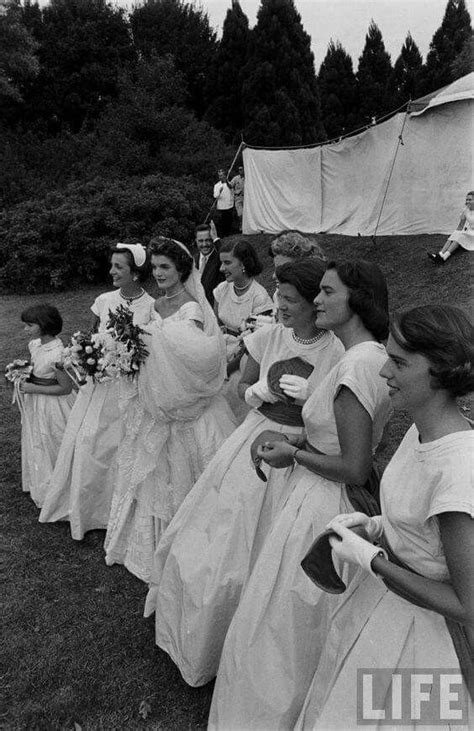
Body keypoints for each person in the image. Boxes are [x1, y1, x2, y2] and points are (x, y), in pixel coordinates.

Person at [208, 260, 393, 730]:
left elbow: (353, 465)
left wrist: (294, 453)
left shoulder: (355, 364)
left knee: (283, 617)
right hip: (323, 494)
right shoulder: (373, 356)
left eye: (327, 292)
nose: (317, 300)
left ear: (357, 300)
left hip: (325, 499)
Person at [143, 259, 344, 687]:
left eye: (290, 299)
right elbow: (240, 390)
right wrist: (258, 392)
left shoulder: (337, 350)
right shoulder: (269, 336)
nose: (281, 305)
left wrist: (314, 398)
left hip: (300, 449)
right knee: (222, 527)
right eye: (278, 296)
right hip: (254, 436)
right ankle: (204, 626)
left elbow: (341, 421)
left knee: (273, 540)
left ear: (315, 304)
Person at [295, 304, 473, 730]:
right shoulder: (419, 429)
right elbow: (417, 523)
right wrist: (376, 526)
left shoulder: (456, 472)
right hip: (385, 607)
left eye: (397, 362)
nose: (383, 373)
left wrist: (371, 559)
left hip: (426, 637)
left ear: (440, 371)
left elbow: (467, 605)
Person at [104, 237, 236, 583]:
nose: (159, 273)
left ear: (182, 269)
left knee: (184, 474)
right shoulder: (156, 305)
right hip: (155, 402)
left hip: (184, 405)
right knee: (154, 477)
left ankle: (187, 543)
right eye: (156, 266)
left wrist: (152, 342)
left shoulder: (192, 307)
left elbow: (196, 358)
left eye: (166, 267)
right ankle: (153, 543)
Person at [39, 244, 155, 539]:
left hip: (130, 387)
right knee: (89, 441)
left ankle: (119, 512)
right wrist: (87, 356)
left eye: (119, 267)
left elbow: (151, 353)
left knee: (124, 445)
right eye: (112, 265)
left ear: (136, 273)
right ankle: (88, 510)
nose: (112, 271)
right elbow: (92, 336)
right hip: (99, 386)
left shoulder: (150, 307)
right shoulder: (104, 300)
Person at [16, 304, 75, 508]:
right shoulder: (35, 345)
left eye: (30, 325)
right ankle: (41, 481)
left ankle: (59, 485)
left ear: (44, 325)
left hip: (53, 404)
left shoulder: (59, 354)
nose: (26, 329)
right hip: (37, 403)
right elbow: (36, 369)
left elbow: (65, 388)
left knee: (53, 440)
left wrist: (33, 388)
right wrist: (21, 373)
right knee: (37, 440)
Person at [214, 237, 273, 422]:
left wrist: (227, 368)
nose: (221, 269)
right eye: (221, 263)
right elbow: (215, 325)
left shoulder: (259, 297)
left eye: (227, 263)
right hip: (219, 349)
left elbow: (254, 345)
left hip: (243, 360)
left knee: (232, 406)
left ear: (244, 264)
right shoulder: (222, 289)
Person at [269, 230, 327, 319]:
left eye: (284, 270)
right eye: (275, 268)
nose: (274, 276)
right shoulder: (278, 294)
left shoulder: (320, 300)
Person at [428, 191, 474, 264]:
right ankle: (440, 254)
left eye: (470, 200)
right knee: (455, 235)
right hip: (469, 232)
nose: (467, 201)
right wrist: (455, 234)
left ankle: (444, 257)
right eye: (467, 199)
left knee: (460, 236)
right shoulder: (466, 210)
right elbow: (460, 225)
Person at [193, 221, 224, 307]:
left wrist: (216, 239)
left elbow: (229, 256)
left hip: (215, 308)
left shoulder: (219, 259)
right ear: (196, 241)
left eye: (208, 240)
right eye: (200, 241)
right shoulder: (193, 260)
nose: (204, 244)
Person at [213, 168, 234, 238]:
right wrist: (219, 191)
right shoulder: (216, 185)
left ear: (225, 175)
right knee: (222, 222)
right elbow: (215, 196)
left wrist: (227, 182)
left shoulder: (229, 183)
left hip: (229, 206)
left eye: (222, 175)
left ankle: (229, 235)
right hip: (221, 207)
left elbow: (232, 190)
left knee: (229, 221)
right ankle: (223, 236)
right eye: (219, 175)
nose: (220, 177)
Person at [229, 165, 245, 232]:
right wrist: (226, 181)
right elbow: (230, 185)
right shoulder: (236, 178)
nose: (240, 171)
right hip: (238, 198)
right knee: (240, 213)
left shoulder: (248, 177)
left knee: (247, 213)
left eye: (242, 169)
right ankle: (241, 225)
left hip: (246, 197)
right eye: (239, 170)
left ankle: (246, 227)